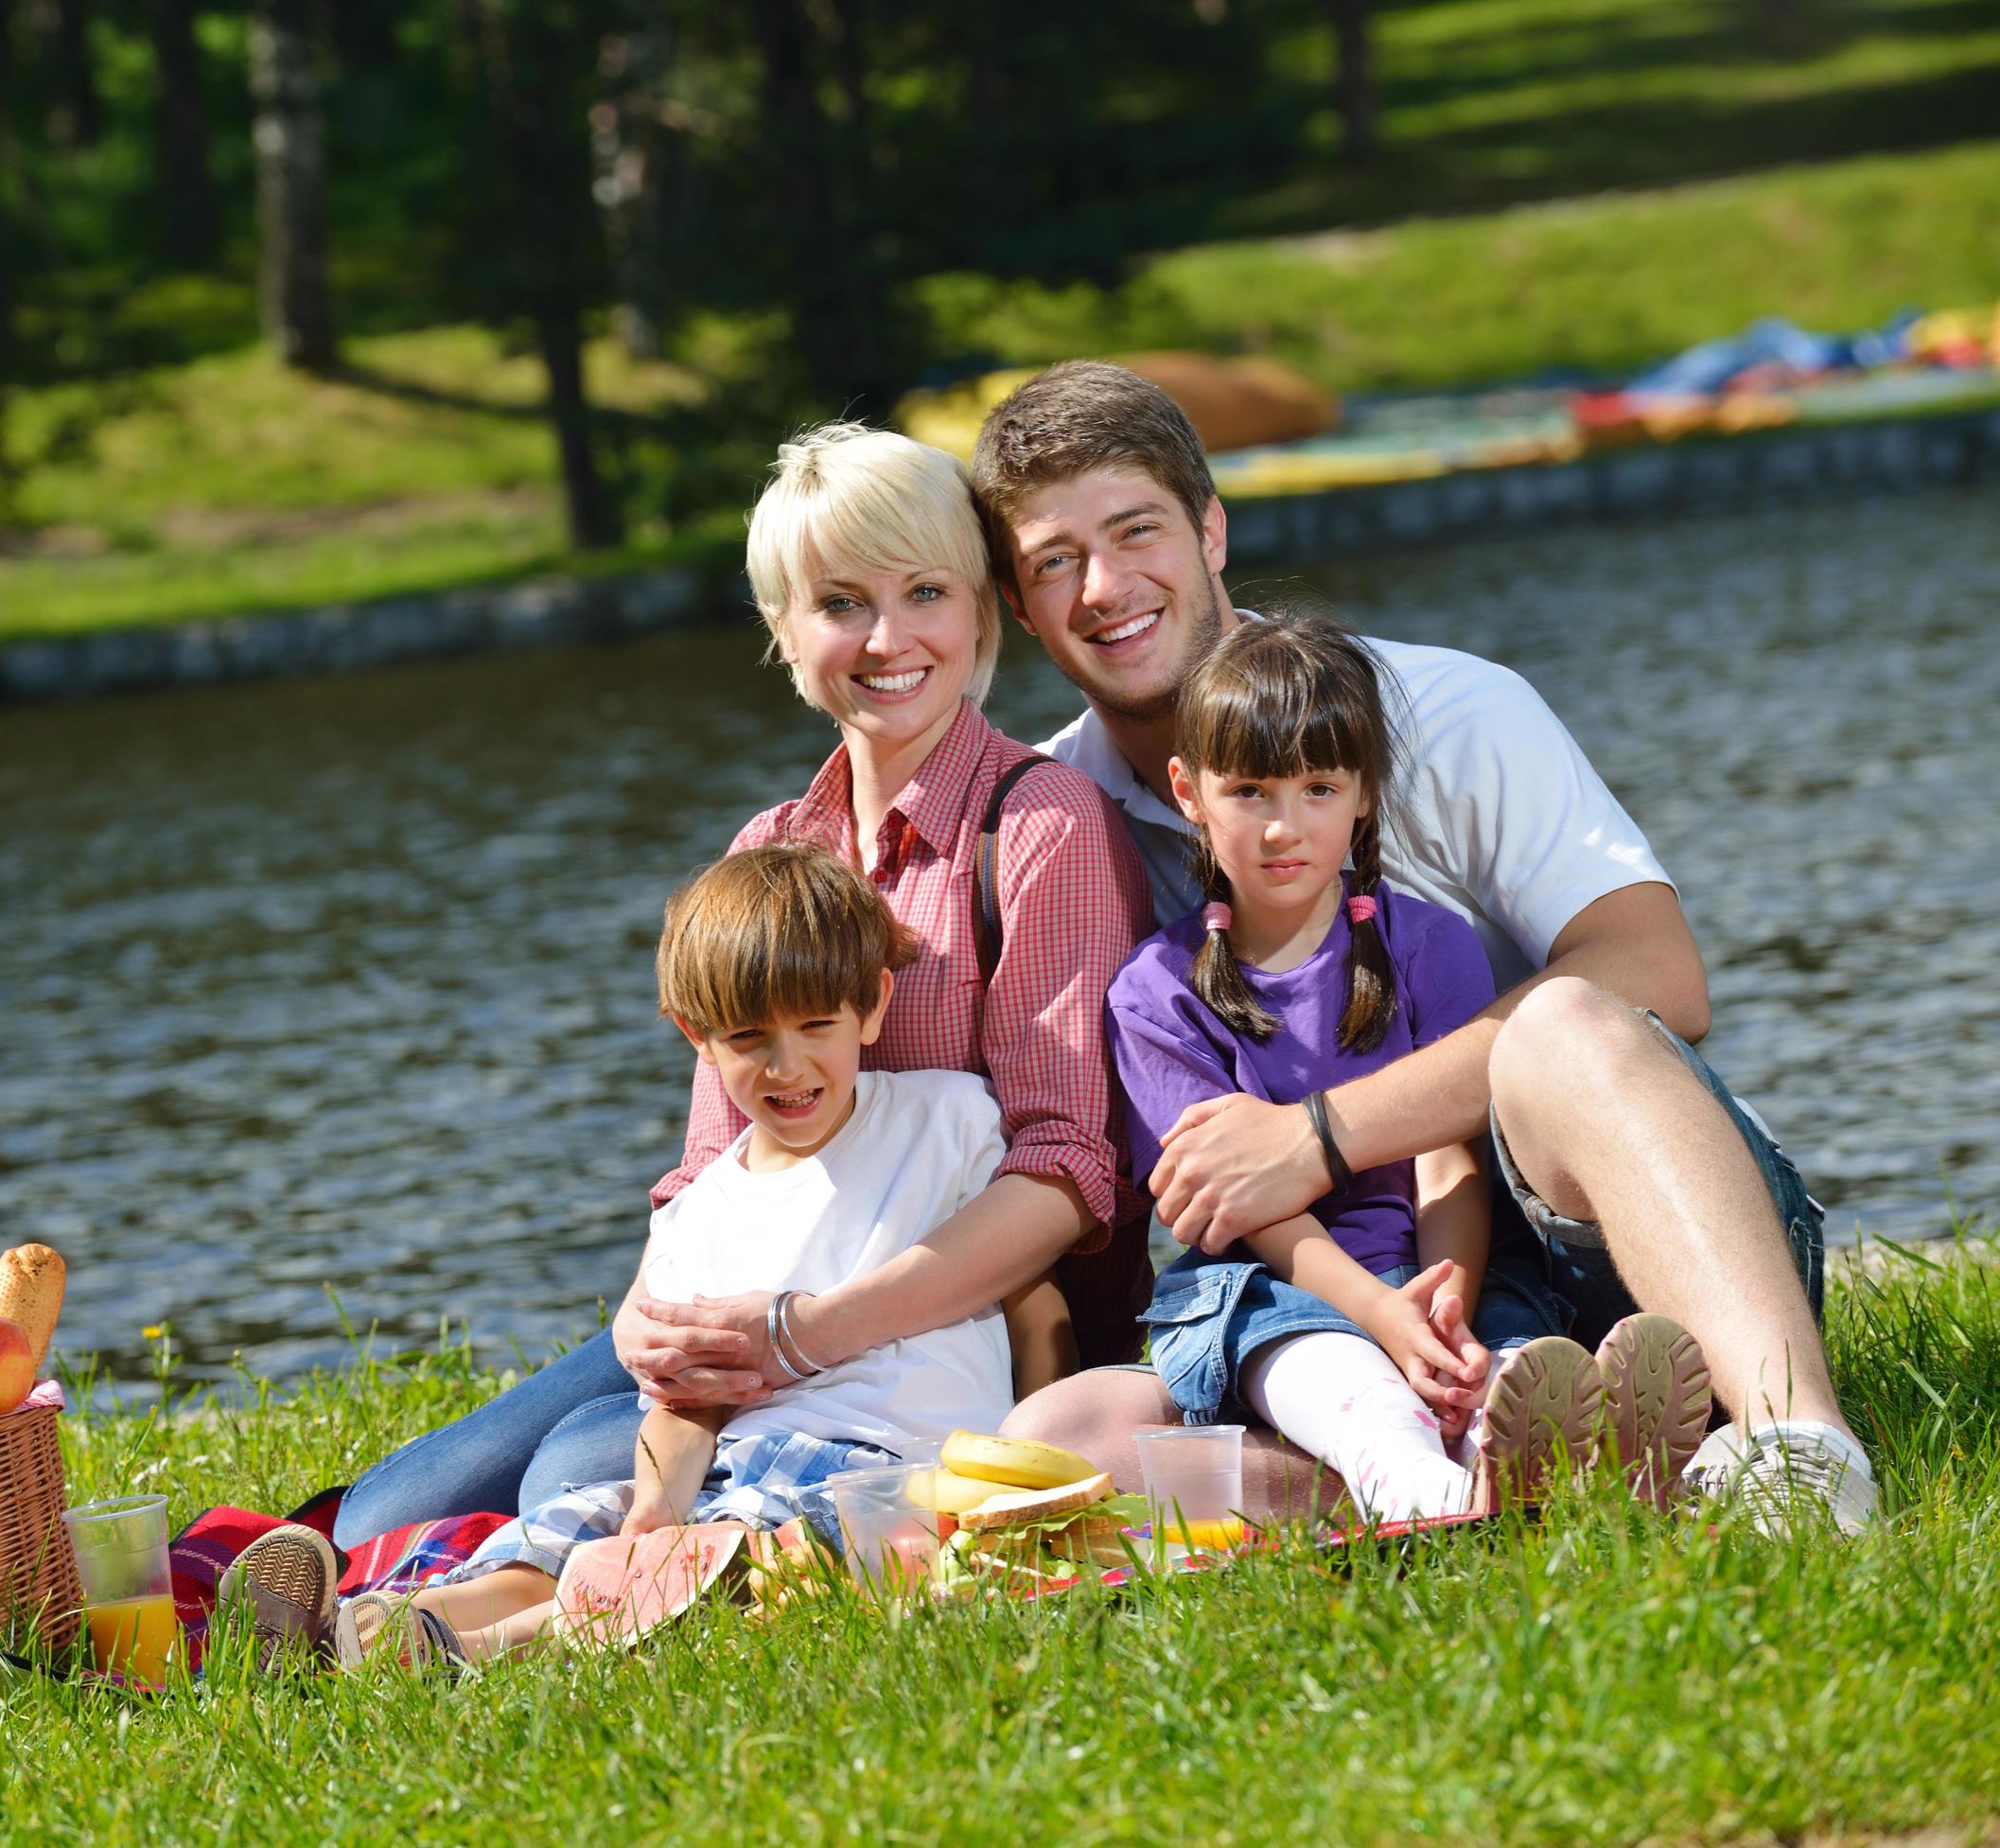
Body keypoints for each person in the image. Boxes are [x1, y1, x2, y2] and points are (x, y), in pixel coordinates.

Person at [974, 360, 1872, 1533]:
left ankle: (1798, 1442)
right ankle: (1517, 1473)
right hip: (1343, 1304)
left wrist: (1320, 1137)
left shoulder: (1445, 710)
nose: (1102, 587)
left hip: (1632, 1234)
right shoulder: (1058, 819)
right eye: (1053, 561)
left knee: (1556, 1023)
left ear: (1210, 530)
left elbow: (1658, 972)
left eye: (1135, 530)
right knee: (1067, 1438)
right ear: (1020, 602)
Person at [330, 423, 1152, 1552]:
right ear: (783, 630)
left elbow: (1065, 1171)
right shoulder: (771, 845)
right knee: (381, 1510)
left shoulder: (1040, 827)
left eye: (924, 591)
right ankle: (360, 1591)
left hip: (939, 1328)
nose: (888, 637)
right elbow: (707, 1169)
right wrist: (652, 1315)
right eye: (840, 603)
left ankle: (536, 1582)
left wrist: (801, 1335)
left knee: (571, 1466)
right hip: (761, 1297)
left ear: (980, 608)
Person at [337, 845, 1015, 1666]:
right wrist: (653, 1509)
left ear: (871, 1006)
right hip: (738, 1459)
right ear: (698, 1037)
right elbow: (685, 1402)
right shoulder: (700, 1213)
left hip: (888, 1467)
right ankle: (373, 1624)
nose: (787, 1065)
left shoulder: (948, 1118)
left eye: (816, 1027)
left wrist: (1037, 1459)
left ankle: (474, 1649)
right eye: (747, 1037)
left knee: (743, 1558)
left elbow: (1026, 1291)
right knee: (571, 1532)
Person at [1114, 611, 1710, 1522]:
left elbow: (1447, 1154)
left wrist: (1445, 1305)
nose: (1284, 826)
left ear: (1363, 793)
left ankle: (1584, 1462)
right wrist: (1380, 1317)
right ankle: (1421, 1492)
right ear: (1188, 793)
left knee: (1501, 1369)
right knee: (1350, 1384)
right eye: (1250, 792)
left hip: (1442, 1265)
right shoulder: (1154, 994)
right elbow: (1250, 1206)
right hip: (1273, 1288)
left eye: (1318, 788)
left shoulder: (1430, 944)